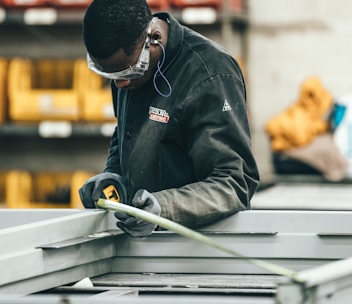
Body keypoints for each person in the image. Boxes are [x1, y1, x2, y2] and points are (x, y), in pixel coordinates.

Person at [79, 0, 260, 237]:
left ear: (153, 38)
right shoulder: (126, 70)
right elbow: (127, 131)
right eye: (112, 76)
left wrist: (165, 208)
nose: (121, 84)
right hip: (142, 243)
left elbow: (234, 183)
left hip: (197, 248)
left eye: (128, 72)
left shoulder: (210, 74)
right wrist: (115, 176)